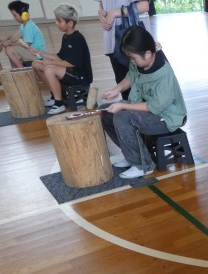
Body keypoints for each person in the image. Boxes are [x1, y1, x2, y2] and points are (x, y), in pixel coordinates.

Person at [100, 25, 187, 179]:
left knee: (122, 117)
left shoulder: (164, 73)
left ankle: (143, 165)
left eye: (133, 58)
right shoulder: (140, 61)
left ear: (147, 54)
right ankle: (131, 155)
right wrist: (117, 89)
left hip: (166, 117)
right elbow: (131, 76)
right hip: (147, 110)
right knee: (105, 112)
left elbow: (153, 107)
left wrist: (123, 105)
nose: (131, 61)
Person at [30, 4, 92, 115]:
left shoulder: (77, 38)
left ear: (70, 23)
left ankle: (59, 104)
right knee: (36, 64)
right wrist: (40, 53)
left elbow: (72, 63)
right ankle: (54, 95)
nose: (56, 23)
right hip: (71, 71)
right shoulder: (66, 36)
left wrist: (50, 63)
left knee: (49, 69)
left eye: (59, 21)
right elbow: (60, 57)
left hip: (80, 76)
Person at [97, 0, 150, 100]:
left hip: (133, 36)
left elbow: (144, 5)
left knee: (142, 82)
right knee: (122, 80)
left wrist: (115, 13)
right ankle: (129, 106)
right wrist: (100, 13)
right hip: (112, 36)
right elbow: (102, 4)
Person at [0, 1, 46, 68]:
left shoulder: (29, 27)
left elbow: (26, 45)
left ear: (24, 15)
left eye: (15, 15)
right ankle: (15, 67)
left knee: (9, 49)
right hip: (31, 52)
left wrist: (10, 43)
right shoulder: (23, 25)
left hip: (37, 55)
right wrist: (7, 38)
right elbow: (16, 37)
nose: (14, 17)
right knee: (9, 46)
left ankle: (21, 69)